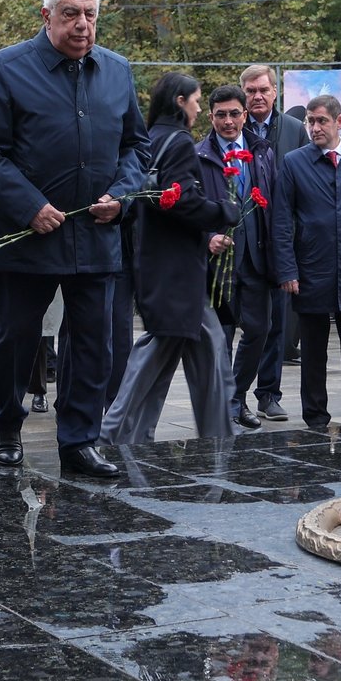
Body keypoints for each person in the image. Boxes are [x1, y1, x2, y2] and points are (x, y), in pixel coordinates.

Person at [0, 0, 147, 479]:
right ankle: (5, 427)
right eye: (71, 13)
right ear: (47, 15)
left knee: (93, 343)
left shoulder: (116, 70)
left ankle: (79, 441)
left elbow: (137, 145)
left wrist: (124, 193)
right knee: (16, 339)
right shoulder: (7, 67)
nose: (82, 24)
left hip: (96, 232)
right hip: (30, 234)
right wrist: (29, 205)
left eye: (90, 14)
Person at [100, 73, 237, 444]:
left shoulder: (151, 139)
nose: (198, 107)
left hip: (158, 264)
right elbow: (179, 201)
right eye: (195, 100)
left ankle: (210, 435)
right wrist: (223, 211)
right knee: (163, 348)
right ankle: (114, 434)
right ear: (179, 101)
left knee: (201, 347)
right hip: (177, 270)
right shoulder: (178, 142)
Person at [273, 94, 341, 429]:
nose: (314, 128)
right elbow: (282, 220)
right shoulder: (294, 163)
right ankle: (315, 416)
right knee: (313, 350)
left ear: (339, 122)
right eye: (310, 121)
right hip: (312, 267)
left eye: (321, 121)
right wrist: (287, 268)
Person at [198, 84, 280, 429]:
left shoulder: (263, 151)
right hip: (218, 265)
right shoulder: (198, 155)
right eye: (221, 115)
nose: (228, 121)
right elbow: (188, 208)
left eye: (234, 113)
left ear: (245, 115)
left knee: (259, 330)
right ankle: (224, 405)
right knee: (222, 337)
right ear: (211, 116)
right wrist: (208, 237)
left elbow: (276, 205)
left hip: (257, 258)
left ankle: (237, 396)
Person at [241, 64, 305, 415]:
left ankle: (269, 394)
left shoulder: (294, 130)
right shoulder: (234, 125)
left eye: (263, 89)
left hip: (283, 236)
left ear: (275, 91)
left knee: (278, 323)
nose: (257, 97)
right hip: (247, 236)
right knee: (251, 324)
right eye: (251, 91)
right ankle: (233, 393)